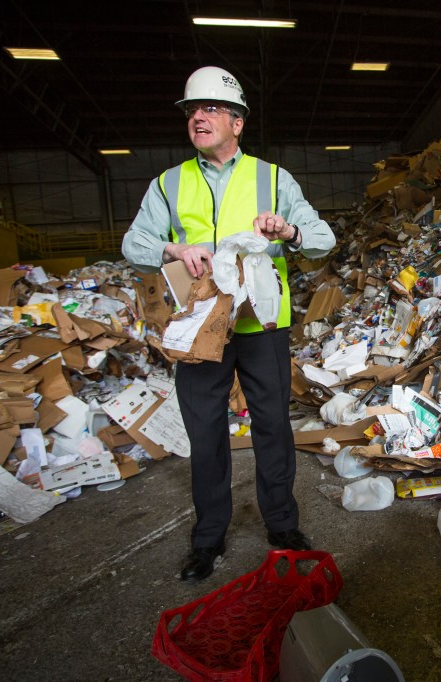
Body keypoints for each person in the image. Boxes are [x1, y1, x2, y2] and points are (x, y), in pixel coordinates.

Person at [122, 66, 336, 581]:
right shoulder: (169, 185)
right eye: (192, 110)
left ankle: (282, 525)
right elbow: (134, 245)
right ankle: (208, 537)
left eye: (211, 108)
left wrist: (288, 230)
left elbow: (323, 238)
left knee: (272, 429)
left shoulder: (272, 178)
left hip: (261, 327)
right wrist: (171, 247)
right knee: (206, 435)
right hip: (199, 328)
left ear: (237, 123)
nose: (198, 116)